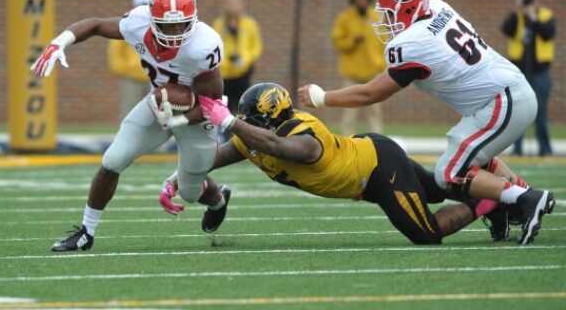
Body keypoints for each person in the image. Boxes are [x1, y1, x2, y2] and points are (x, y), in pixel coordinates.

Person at [298, 0, 555, 245]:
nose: (385, 22)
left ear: (406, 9)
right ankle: (518, 198)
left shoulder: (410, 44)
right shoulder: (439, 7)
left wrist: (322, 97)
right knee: (469, 160)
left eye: (388, 14)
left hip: (502, 101)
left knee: (449, 174)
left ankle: (525, 199)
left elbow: (372, 92)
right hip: (506, 93)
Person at [31, 0, 231, 251]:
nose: (174, 32)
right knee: (113, 159)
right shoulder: (138, 23)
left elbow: (212, 105)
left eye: (181, 25)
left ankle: (218, 200)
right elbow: (96, 25)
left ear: (192, 21)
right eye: (167, 25)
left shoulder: (203, 47)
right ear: (152, 19)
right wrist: (60, 41)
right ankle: (86, 232)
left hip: (198, 116)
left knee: (191, 191)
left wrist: (178, 120)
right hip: (158, 103)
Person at [196, 83, 502, 245]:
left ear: (273, 119)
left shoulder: (302, 134)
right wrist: (178, 179)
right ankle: (493, 187)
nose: (249, 128)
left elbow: (276, 145)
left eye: (254, 123)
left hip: (379, 168)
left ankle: (491, 201)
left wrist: (229, 122)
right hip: (367, 159)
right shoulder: (253, 139)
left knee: (427, 234)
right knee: (436, 191)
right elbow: (210, 158)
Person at [501, 0, 555, 156]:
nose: (529, 3)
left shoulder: (545, 15)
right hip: (519, 72)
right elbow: (506, 29)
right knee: (518, 112)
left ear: (538, 0)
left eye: (532, 0)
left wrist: (533, 16)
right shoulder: (517, 16)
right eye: (526, 0)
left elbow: (548, 33)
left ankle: (545, 149)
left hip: (540, 72)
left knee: (541, 111)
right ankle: (517, 149)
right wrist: (519, 11)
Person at [331, 0, 385, 136]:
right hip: (352, 72)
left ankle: (378, 139)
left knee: (374, 111)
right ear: (352, 0)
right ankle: (347, 140)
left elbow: (385, 43)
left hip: (373, 72)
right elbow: (337, 42)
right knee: (349, 111)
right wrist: (352, 41)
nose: (361, 1)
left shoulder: (376, 17)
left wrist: (382, 65)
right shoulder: (344, 18)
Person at [212, 0, 263, 117]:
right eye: (230, 3)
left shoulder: (249, 24)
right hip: (225, 74)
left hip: (243, 72)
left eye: (235, 2)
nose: (232, 6)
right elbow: (214, 46)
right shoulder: (219, 24)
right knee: (225, 107)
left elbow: (256, 47)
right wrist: (224, 63)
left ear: (241, 4)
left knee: (244, 106)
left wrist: (245, 60)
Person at [107, 0, 152, 120]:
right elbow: (115, 50)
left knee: (157, 112)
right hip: (132, 78)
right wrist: (125, 70)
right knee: (130, 111)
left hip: (155, 77)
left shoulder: (157, 26)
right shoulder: (127, 24)